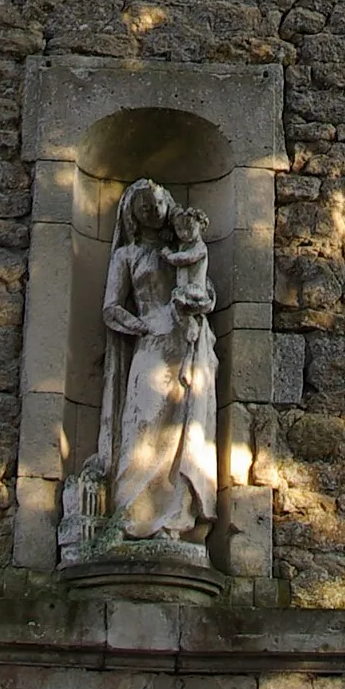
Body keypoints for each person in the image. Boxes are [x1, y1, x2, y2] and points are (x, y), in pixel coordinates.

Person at [92, 178, 219, 542]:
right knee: (143, 426)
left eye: (157, 203)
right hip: (150, 345)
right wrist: (141, 327)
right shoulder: (126, 256)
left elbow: (203, 285)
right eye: (143, 206)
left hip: (186, 341)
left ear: (169, 205)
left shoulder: (185, 247)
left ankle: (172, 520)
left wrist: (201, 300)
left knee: (180, 431)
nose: (151, 210)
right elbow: (111, 307)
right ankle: (131, 515)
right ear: (133, 214)